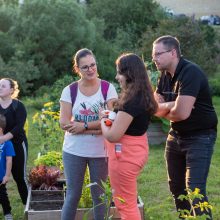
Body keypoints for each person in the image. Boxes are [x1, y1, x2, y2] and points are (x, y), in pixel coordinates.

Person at [152, 35, 218, 219]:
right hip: (176, 135)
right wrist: (172, 105)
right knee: (176, 188)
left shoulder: (191, 72)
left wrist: (167, 108)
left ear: (173, 53)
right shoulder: (164, 76)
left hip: (200, 136)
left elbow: (181, 114)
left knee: (195, 190)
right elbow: (155, 108)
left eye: (158, 54)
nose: (154, 58)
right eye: (153, 55)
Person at [59, 48, 118, 220]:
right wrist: (97, 127)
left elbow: (110, 122)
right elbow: (64, 122)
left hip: (100, 151)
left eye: (93, 65)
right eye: (85, 67)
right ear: (77, 69)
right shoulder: (70, 90)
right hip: (73, 150)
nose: (90, 69)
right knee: (73, 195)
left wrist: (83, 126)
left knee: (99, 196)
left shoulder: (108, 88)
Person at [101, 53, 158, 220]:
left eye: (119, 72)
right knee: (127, 202)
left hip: (124, 157)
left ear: (129, 74)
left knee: (125, 205)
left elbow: (113, 136)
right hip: (135, 152)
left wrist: (103, 119)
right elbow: (127, 124)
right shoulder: (142, 95)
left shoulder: (132, 101)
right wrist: (113, 115)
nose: (117, 77)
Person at [0, 78, 28, 205]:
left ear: (11, 90)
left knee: (19, 178)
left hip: (17, 145)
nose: (0, 88)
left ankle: (28, 208)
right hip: (1, 146)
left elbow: (19, 127)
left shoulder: (18, 106)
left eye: (3, 86)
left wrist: (3, 139)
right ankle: (7, 212)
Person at [0, 114, 15, 220]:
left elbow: (9, 160)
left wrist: (7, 175)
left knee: (2, 196)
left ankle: (7, 214)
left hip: (0, 177)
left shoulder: (7, 143)